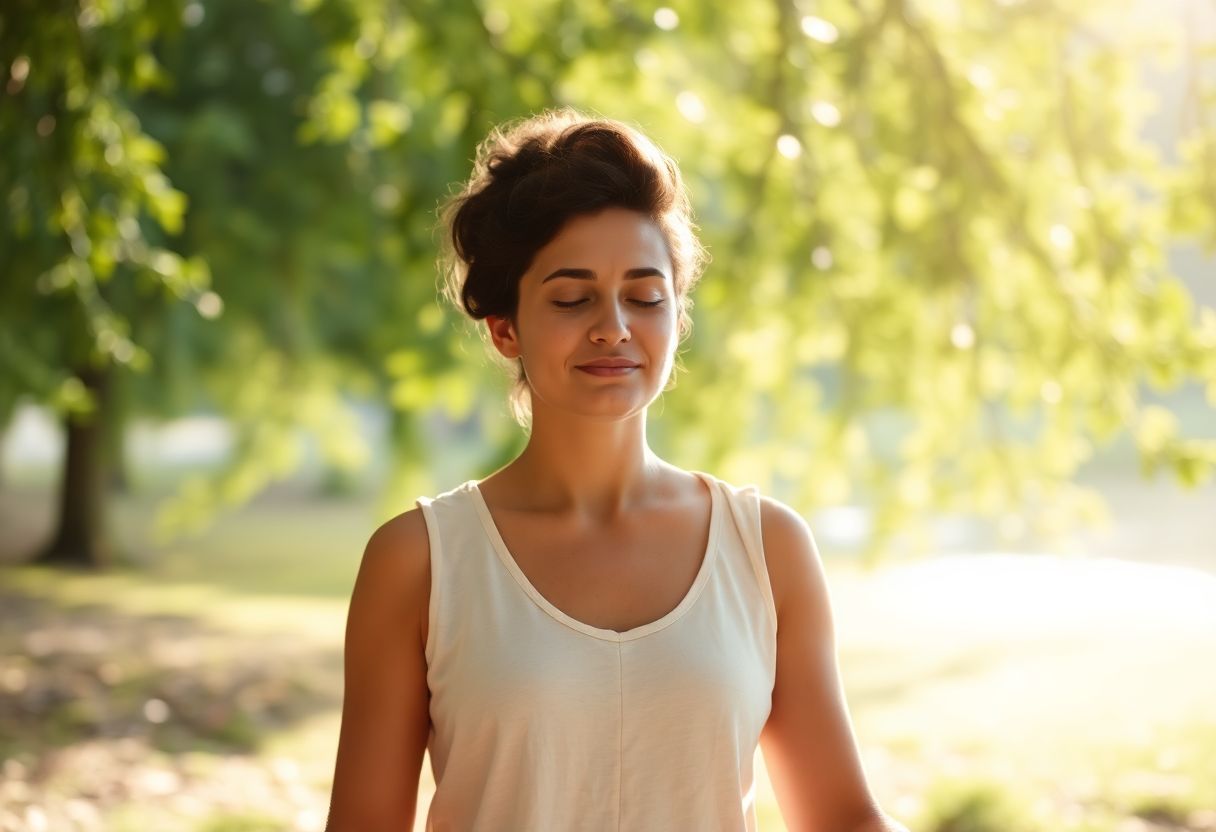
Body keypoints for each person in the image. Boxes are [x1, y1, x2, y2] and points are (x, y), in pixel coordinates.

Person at [325, 108, 909, 832]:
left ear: (678, 317)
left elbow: (844, 819)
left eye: (645, 296)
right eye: (572, 298)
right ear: (504, 328)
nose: (615, 328)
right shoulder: (418, 562)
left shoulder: (768, 550)